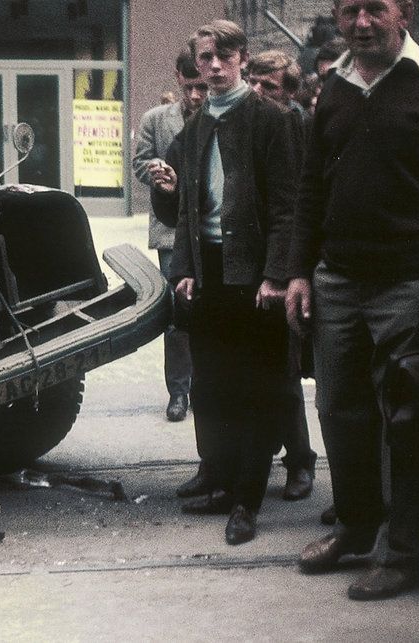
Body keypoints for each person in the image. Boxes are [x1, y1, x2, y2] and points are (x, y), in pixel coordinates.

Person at [286, 0, 419, 600]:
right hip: (338, 282)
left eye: (374, 9)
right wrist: (298, 271)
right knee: (339, 409)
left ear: (402, 12)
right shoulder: (334, 89)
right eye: (349, 10)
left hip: (413, 283)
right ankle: (356, 527)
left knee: (406, 420)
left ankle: (402, 554)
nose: (361, 22)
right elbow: (310, 189)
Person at [153, 19, 301, 545]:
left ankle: (246, 500)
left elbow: (288, 207)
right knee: (211, 386)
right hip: (209, 273)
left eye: (223, 56)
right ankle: (217, 479)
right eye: (205, 58)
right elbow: (186, 214)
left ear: (240, 58)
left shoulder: (269, 120)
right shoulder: (193, 127)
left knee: (254, 388)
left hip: (254, 275)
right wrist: (186, 267)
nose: (213, 67)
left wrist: (277, 274)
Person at [245, 49, 319, 502]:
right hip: (256, 263)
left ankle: (300, 462)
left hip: (286, 268)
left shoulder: (294, 126)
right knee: (262, 369)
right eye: (252, 82)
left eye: (268, 87)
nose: (256, 92)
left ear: (289, 94)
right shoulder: (250, 122)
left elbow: (295, 207)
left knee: (283, 372)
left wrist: (286, 271)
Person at [132, 49, 206, 424]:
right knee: (178, 313)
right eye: (190, 87)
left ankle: (206, 387)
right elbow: (138, 162)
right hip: (171, 233)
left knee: (210, 310)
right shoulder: (155, 120)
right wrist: (156, 173)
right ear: (178, 78)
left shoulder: (220, 116)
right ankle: (178, 392)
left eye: (203, 88)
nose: (196, 96)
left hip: (210, 229)